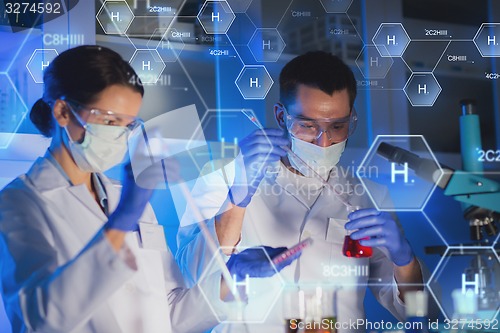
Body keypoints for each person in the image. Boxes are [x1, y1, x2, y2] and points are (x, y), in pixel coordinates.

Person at [0, 45, 298, 333]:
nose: (120, 134)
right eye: (110, 120)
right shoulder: (18, 202)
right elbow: (41, 320)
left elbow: (169, 312)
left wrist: (234, 276)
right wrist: (125, 217)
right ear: (63, 112)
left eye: (129, 124)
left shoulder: (124, 195)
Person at [176, 51, 429, 332]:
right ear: (281, 116)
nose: (323, 142)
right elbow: (190, 280)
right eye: (308, 125)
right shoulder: (222, 175)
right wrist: (237, 198)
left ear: (351, 119)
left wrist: (404, 259)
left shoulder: (370, 195)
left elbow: (415, 315)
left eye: (337, 126)